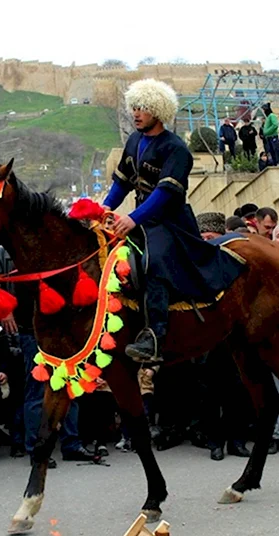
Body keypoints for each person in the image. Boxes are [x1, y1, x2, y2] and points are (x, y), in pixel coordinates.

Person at [102, 79, 244, 363]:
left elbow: (165, 194)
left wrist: (132, 218)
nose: (136, 113)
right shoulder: (133, 141)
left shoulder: (176, 149)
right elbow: (122, 182)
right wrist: (103, 208)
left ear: (158, 110)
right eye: (134, 107)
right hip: (140, 220)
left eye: (143, 107)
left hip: (171, 223)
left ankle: (155, 336)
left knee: (155, 262)